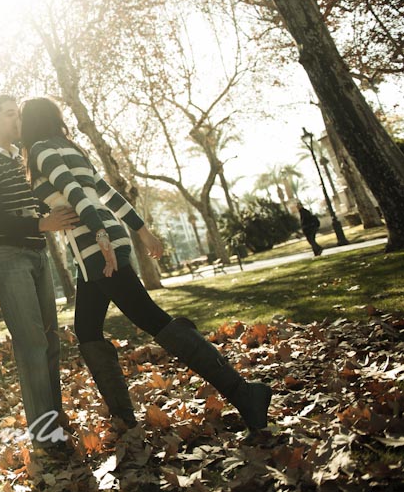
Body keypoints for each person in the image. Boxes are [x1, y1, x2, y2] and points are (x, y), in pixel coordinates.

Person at [19, 97, 272, 434]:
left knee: (152, 319)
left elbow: (74, 191)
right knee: (88, 330)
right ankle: (124, 419)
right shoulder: (71, 148)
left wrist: (100, 234)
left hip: (97, 245)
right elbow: (107, 192)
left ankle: (246, 393)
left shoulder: (41, 150)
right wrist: (141, 230)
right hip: (98, 246)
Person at [0, 95, 79, 459]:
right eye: (11, 115)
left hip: (38, 254)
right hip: (8, 258)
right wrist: (41, 223)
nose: (18, 121)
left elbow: (41, 200)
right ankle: (45, 437)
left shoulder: (26, 160)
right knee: (31, 345)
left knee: (50, 341)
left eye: (19, 115)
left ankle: (54, 420)